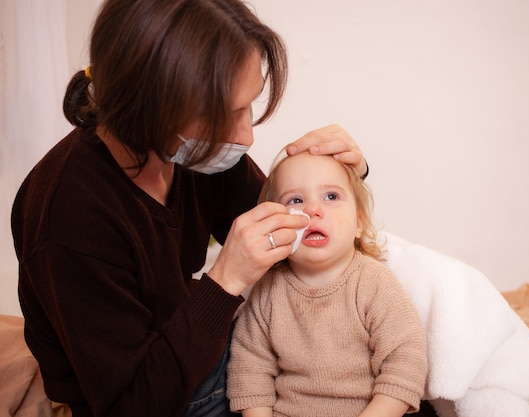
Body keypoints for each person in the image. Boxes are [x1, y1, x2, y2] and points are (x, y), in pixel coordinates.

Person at [11, 1, 367, 417]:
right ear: (151, 108)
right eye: (226, 115)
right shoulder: (69, 219)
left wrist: (345, 177)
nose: (247, 137)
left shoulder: (192, 155)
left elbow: (288, 229)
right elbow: (133, 403)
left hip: (197, 347)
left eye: (248, 106)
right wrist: (227, 278)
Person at [226, 150, 428, 417]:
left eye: (331, 197)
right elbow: (249, 367)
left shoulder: (374, 283)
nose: (313, 210)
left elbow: (405, 359)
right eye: (295, 200)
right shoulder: (268, 292)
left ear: (359, 222)